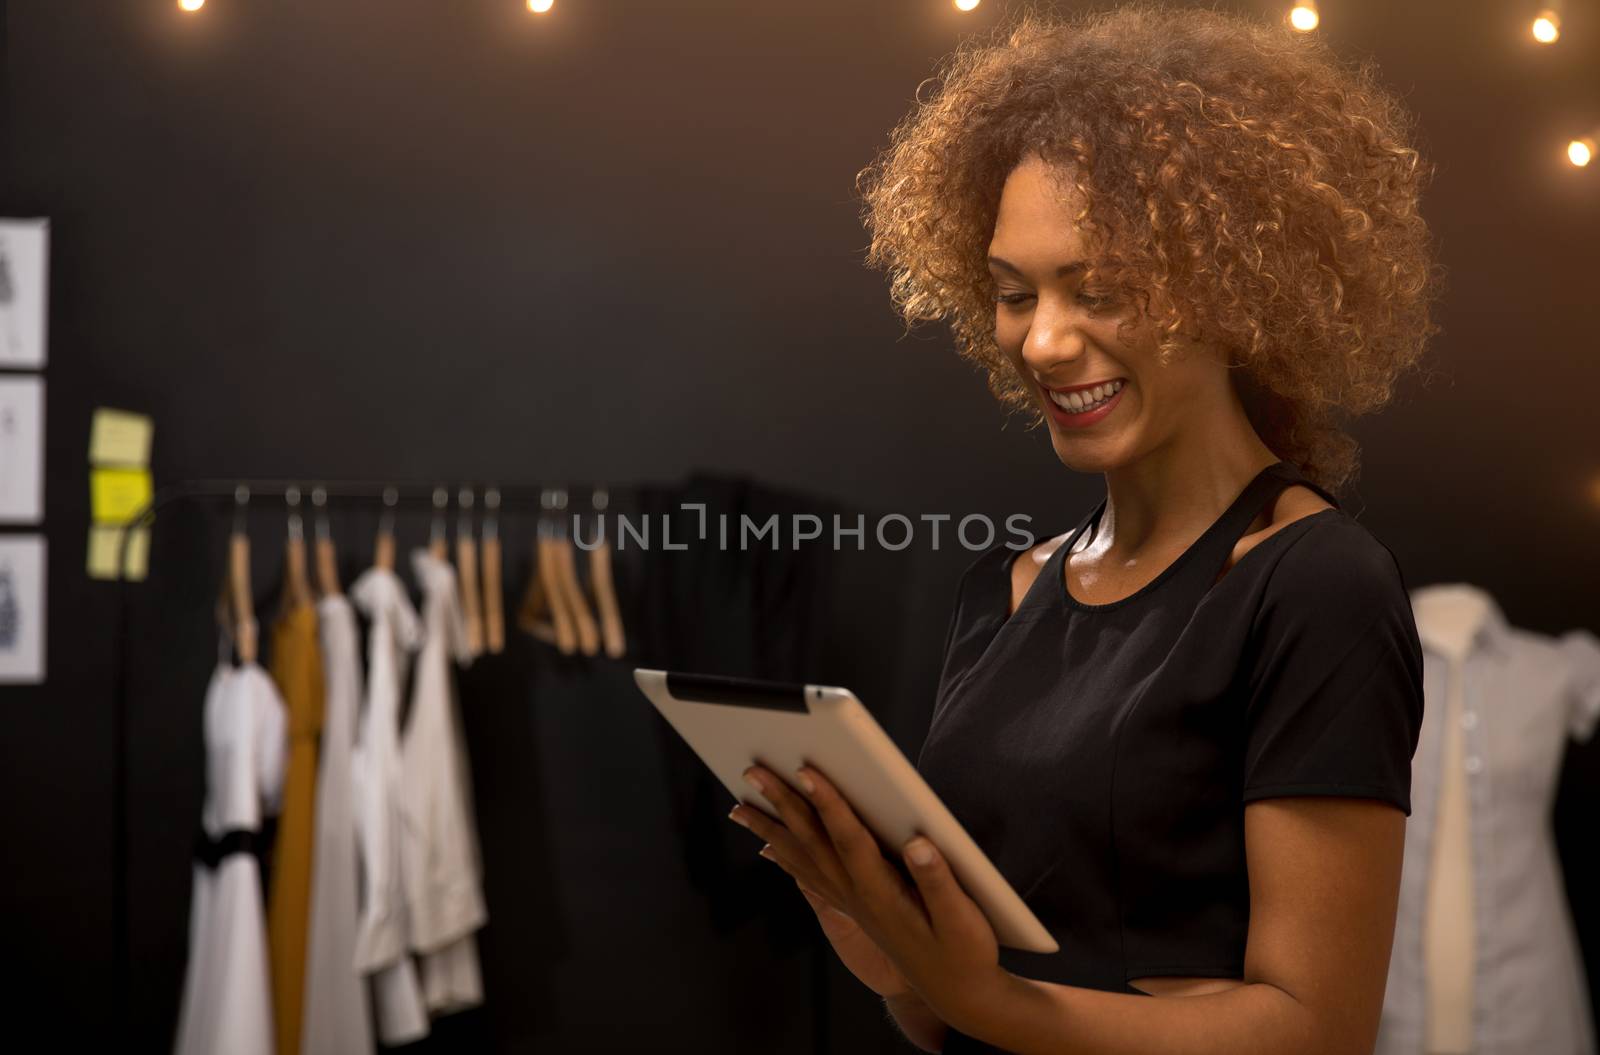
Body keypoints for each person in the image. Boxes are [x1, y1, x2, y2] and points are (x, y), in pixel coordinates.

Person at [727, 3, 1441, 1053]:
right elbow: (939, 1011)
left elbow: (1313, 1029)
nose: (1045, 341)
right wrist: (861, 908)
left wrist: (999, 1002)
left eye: (1097, 289)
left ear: (1229, 282)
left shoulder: (1310, 584)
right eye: (1014, 294)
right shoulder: (1002, 592)